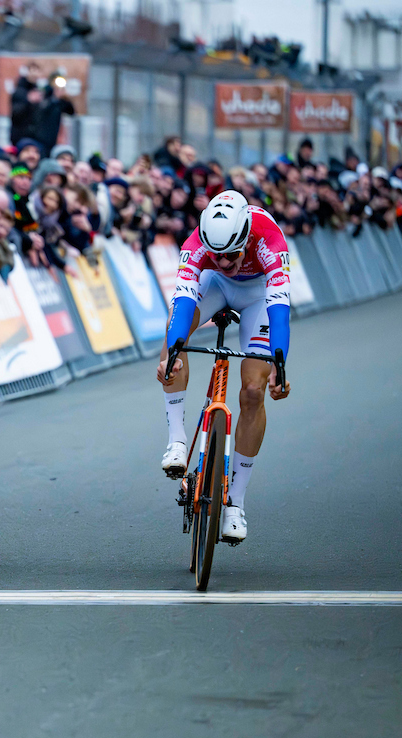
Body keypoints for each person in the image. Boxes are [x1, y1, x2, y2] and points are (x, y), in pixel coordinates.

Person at [157, 190, 292, 543]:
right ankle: (176, 440)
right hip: (214, 288)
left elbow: (279, 306)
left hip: (258, 296)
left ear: (246, 237)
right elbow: (184, 298)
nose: (225, 261)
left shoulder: (270, 241)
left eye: (232, 254)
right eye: (217, 255)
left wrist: (280, 362)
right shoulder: (196, 246)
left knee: (252, 391)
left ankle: (235, 502)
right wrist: (172, 350)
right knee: (174, 336)